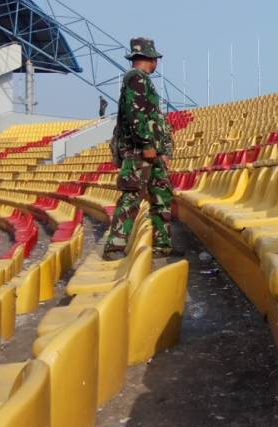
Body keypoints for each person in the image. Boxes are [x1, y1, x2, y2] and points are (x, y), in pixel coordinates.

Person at [103, 37, 179, 260]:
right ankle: (114, 247)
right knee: (131, 195)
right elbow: (135, 114)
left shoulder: (142, 79)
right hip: (139, 151)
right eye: (155, 59)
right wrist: (147, 145)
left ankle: (162, 245)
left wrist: (162, 151)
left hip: (152, 152)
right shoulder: (135, 78)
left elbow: (153, 118)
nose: (156, 63)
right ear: (149, 59)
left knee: (161, 194)